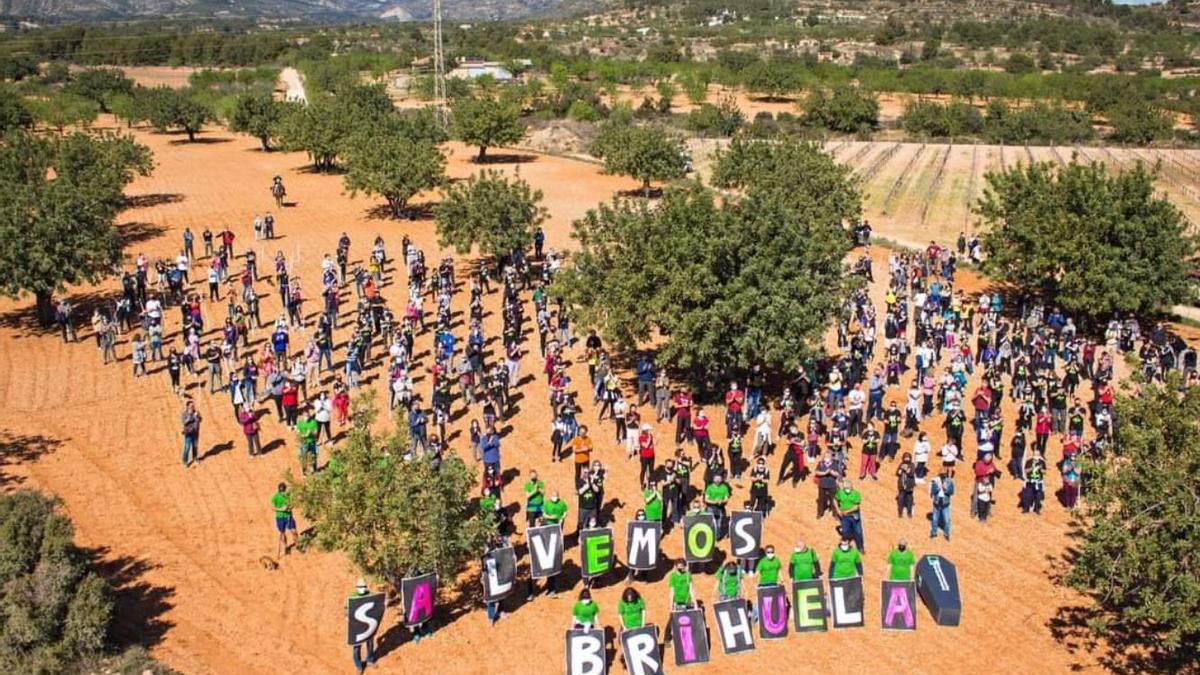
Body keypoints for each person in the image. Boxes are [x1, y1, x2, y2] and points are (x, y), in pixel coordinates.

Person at [347, 578, 376, 674]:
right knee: (356, 647)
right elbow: (347, 608)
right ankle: (358, 666)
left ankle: (370, 660)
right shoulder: (353, 596)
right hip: (356, 625)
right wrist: (347, 616)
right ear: (356, 587)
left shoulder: (370, 595)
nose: (361, 588)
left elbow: (376, 605)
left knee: (370, 643)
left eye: (363, 587)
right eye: (360, 587)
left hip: (368, 625)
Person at [835, 479, 865, 552]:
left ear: (852, 487)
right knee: (845, 531)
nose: (847, 490)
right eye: (846, 488)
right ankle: (845, 546)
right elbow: (835, 499)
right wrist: (838, 509)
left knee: (858, 532)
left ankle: (860, 547)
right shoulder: (840, 493)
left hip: (854, 516)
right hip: (845, 517)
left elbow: (856, 507)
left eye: (848, 488)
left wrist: (846, 512)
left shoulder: (856, 494)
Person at [272, 482, 298, 557]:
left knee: (294, 531)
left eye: (283, 491)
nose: (283, 493)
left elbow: (293, 503)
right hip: (280, 517)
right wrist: (281, 509)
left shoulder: (288, 495)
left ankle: (297, 545)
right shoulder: (275, 497)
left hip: (289, 516)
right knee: (282, 533)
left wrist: (290, 507)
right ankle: (285, 547)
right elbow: (272, 507)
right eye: (281, 491)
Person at [703, 473, 732, 539]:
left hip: (720, 508)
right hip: (711, 508)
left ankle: (716, 537)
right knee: (710, 523)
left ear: (721, 479)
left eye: (719, 479)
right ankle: (709, 537)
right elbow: (706, 499)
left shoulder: (724, 487)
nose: (717, 480)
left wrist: (721, 501)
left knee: (719, 523)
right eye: (716, 479)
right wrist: (715, 502)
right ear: (713, 479)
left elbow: (726, 498)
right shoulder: (709, 487)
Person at [929, 470, 955, 540]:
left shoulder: (949, 481)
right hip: (937, 503)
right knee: (934, 519)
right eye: (941, 474)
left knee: (946, 520)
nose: (942, 476)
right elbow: (933, 491)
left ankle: (946, 534)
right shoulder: (935, 481)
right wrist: (938, 488)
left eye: (944, 474)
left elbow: (952, 492)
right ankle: (933, 533)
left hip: (945, 504)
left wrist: (945, 489)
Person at [181, 399, 201, 467]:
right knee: (187, 447)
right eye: (191, 406)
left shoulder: (196, 412)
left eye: (193, 406)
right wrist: (191, 415)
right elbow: (185, 422)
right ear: (187, 406)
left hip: (195, 433)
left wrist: (197, 416)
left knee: (195, 447)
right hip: (188, 433)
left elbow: (200, 420)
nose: (192, 407)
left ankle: (195, 458)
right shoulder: (184, 414)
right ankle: (184, 461)